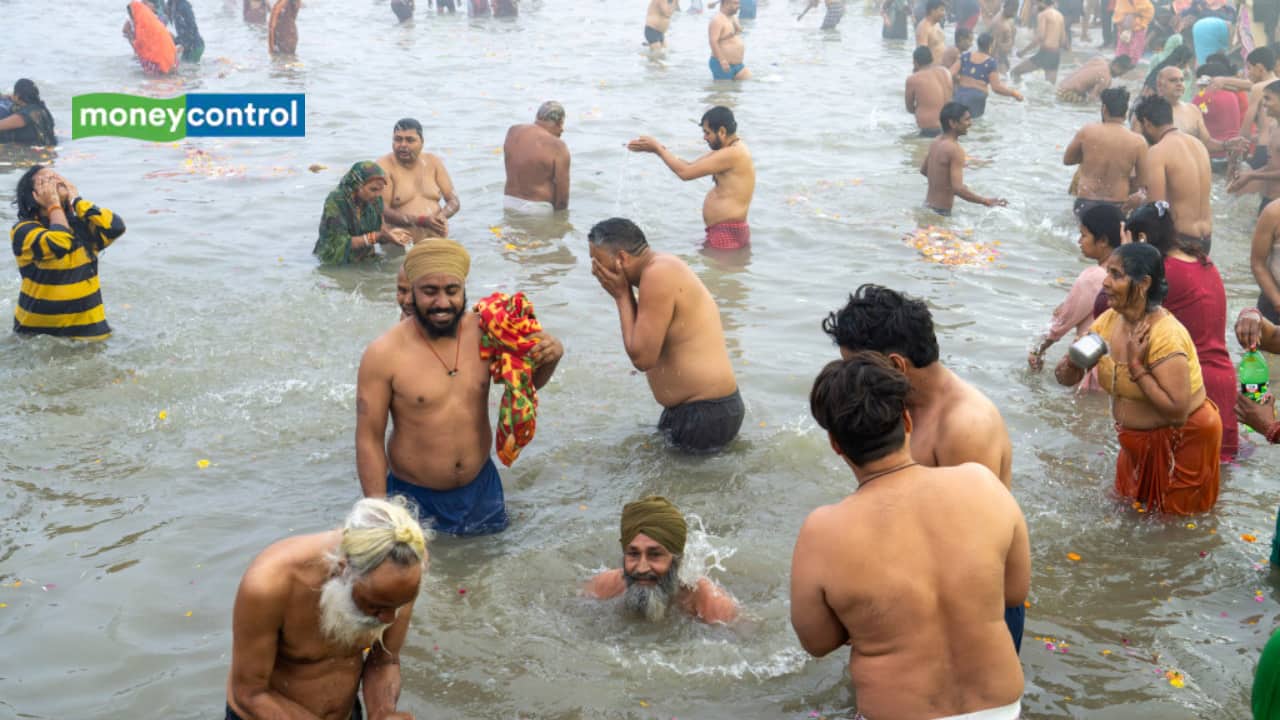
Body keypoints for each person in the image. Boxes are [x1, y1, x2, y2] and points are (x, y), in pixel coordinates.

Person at [790, 353, 1028, 720]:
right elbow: (1013, 593)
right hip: (1000, 708)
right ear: (906, 420)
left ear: (836, 444)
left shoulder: (822, 531)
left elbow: (817, 643)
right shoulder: (982, 485)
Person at [356, 240, 564, 535]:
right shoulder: (383, 355)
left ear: (464, 290)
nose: (442, 302)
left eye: (451, 291)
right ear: (412, 293)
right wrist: (378, 517)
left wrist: (552, 357)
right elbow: (369, 439)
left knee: (489, 572)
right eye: (430, 291)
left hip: (482, 488)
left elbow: (522, 390)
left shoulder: (488, 332)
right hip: (415, 497)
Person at [1054, 243, 1221, 514]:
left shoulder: (1166, 335)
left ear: (1143, 283)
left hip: (1183, 441)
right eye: (1108, 272)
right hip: (1135, 443)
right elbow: (1065, 379)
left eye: (1116, 275)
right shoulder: (1107, 322)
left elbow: (1177, 412)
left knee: (1173, 530)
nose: (1105, 282)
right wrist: (1072, 363)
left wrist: (1136, 366)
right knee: (1127, 515)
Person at [225, 497, 427, 720]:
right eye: (375, 607)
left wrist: (383, 712)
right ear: (343, 571)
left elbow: (385, 660)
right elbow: (250, 694)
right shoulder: (270, 583)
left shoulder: (405, 571)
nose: (389, 618)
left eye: (396, 607)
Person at [823, 284, 1014, 487]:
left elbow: (971, 517)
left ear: (897, 365)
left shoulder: (966, 428)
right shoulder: (893, 401)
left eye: (856, 368)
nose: (849, 377)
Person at [588, 218, 744, 452]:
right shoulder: (660, 268)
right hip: (699, 411)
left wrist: (621, 295)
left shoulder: (658, 273)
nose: (594, 270)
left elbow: (643, 358)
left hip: (706, 413)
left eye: (597, 261)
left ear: (621, 259)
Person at [1128, 202, 1237, 459]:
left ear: (1142, 238)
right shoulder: (1203, 260)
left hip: (1192, 385)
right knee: (1216, 480)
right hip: (1223, 380)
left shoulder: (1163, 274)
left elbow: (1124, 315)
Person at [9, 166, 126, 340]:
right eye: (46, 181)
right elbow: (60, 242)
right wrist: (54, 205)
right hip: (37, 335)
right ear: (34, 195)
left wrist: (76, 200)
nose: (56, 181)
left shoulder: (81, 226)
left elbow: (115, 227)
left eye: (57, 176)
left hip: (90, 333)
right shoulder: (23, 231)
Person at [583, 496, 738, 623]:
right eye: (633, 554)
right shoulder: (603, 586)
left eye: (655, 555)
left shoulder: (713, 607)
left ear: (678, 559)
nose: (641, 568)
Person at [626, 106, 755, 250]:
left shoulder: (734, 153)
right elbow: (690, 166)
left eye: (707, 133)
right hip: (722, 231)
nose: (704, 137)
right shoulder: (730, 149)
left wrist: (657, 149)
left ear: (722, 131)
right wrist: (659, 149)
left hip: (728, 234)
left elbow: (685, 173)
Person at [1028, 204, 1124, 383]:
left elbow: (1061, 323)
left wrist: (1037, 351)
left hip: (1091, 366)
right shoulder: (1127, 275)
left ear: (1102, 240)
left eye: (1084, 235)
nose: (1079, 241)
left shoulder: (1094, 276)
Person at [1133, 96, 1215, 255]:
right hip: (1206, 238)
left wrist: (1138, 200)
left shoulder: (1158, 151)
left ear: (1147, 123)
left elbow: (1157, 208)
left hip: (1181, 240)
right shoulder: (1198, 145)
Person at [1064, 87, 1148, 216]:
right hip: (1118, 204)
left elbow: (1068, 160)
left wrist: (1089, 158)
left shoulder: (1088, 131)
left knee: (1084, 235)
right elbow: (1141, 181)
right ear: (1125, 113)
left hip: (1087, 201)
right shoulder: (1138, 141)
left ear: (1104, 109)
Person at [376, 119, 461, 244]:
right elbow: (381, 209)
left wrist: (441, 217)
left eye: (410, 140)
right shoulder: (384, 166)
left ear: (422, 142)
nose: (403, 145)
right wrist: (421, 221)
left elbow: (454, 201)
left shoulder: (433, 162)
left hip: (437, 241)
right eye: (398, 139)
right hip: (401, 247)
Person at [313, 161, 411, 265]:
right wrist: (378, 237)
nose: (378, 194)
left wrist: (392, 235)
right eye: (373, 189)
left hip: (365, 257)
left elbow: (381, 230)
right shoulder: (336, 201)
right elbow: (340, 243)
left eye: (381, 189)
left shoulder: (375, 201)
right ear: (357, 186)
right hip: (334, 260)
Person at [921, 103, 1008, 214]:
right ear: (952, 123)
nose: (970, 124)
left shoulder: (936, 142)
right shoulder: (955, 149)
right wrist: (986, 201)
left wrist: (944, 185)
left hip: (927, 206)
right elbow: (958, 188)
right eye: (966, 120)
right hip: (941, 212)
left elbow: (924, 171)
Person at [502, 102, 570, 216]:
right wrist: (560, 222)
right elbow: (562, 195)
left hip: (509, 202)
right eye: (562, 125)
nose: (562, 130)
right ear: (559, 123)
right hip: (537, 209)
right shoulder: (558, 146)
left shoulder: (513, 131)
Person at [1229, 80, 1280, 211]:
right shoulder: (1274, 128)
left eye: (1268, 98)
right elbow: (1272, 166)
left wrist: (1252, 176)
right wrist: (1247, 176)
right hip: (1269, 199)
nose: (1264, 103)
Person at [950, 32, 1024, 119]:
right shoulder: (990, 62)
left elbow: (950, 74)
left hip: (960, 95)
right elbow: (996, 88)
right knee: (974, 126)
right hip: (976, 99)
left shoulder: (965, 56)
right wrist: (1014, 93)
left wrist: (959, 81)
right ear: (990, 46)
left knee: (957, 123)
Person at [1012, 0, 1065, 83]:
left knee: (1015, 72)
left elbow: (1040, 37)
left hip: (1045, 53)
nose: (1035, 6)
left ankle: (1021, 93)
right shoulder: (1060, 15)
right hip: (1056, 54)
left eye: (1036, 3)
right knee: (1050, 86)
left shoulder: (1043, 15)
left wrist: (1023, 52)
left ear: (1042, 3)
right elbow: (1063, 40)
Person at [905, 47, 954, 136]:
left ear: (915, 62)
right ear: (932, 59)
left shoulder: (913, 79)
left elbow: (909, 108)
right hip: (950, 127)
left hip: (930, 130)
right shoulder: (946, 72)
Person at [125, 0, 178, 74]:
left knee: (154, 78)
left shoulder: (141, 24)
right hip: (172, 57)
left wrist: (131, 38)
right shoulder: (153, 20)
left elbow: (140, 44)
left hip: (160, 60)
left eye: (131, 15)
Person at [0, 80, 55, 146]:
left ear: (17, 96)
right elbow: (13, 97)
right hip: (48, 144)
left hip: (33, 151)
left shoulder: (23, 116)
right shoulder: (40, 107)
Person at [1055, 55, 1134, 102]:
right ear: (1116, 65)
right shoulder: (1106, 78)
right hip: (1067, 95)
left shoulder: (1099, 59)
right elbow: (1092, 99)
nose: (1120, 76)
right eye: (1121, 72)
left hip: (1060, 88)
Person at [709, 0, 750, 80]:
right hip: (722, 64)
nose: (739, 6)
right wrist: (722, 61)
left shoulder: (733, 17)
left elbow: (739, 31)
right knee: (724, 91)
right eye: (735, 3)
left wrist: (737, 30)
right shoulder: (717, 20)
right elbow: (713, 41)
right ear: (726, 4)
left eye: (738, 3)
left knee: (750, 85)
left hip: (739, 65)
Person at [991, 0, 1019, 70]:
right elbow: (994, 44)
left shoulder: (1009, 18)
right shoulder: (998, 23)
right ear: (1005, 7)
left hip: (1004, 55)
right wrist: (999, 61)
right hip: (999, 57)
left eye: (1016, 10)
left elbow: (1013, 34)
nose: (1014, 12)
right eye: (1012, 10)